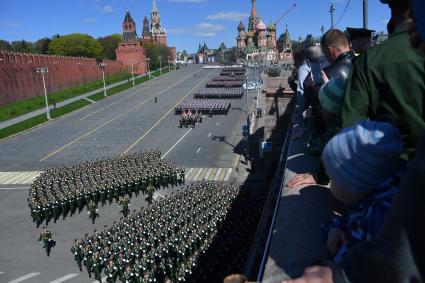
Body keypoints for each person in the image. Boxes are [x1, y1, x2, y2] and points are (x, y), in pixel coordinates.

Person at [320, 120, 403, 262]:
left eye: (332, 178)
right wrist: (337, 227)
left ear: (354, 184)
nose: (329, 181)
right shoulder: (371, 200)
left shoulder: (380, 215)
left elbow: (362, 265)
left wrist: (339, 247)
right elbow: (353, 221)